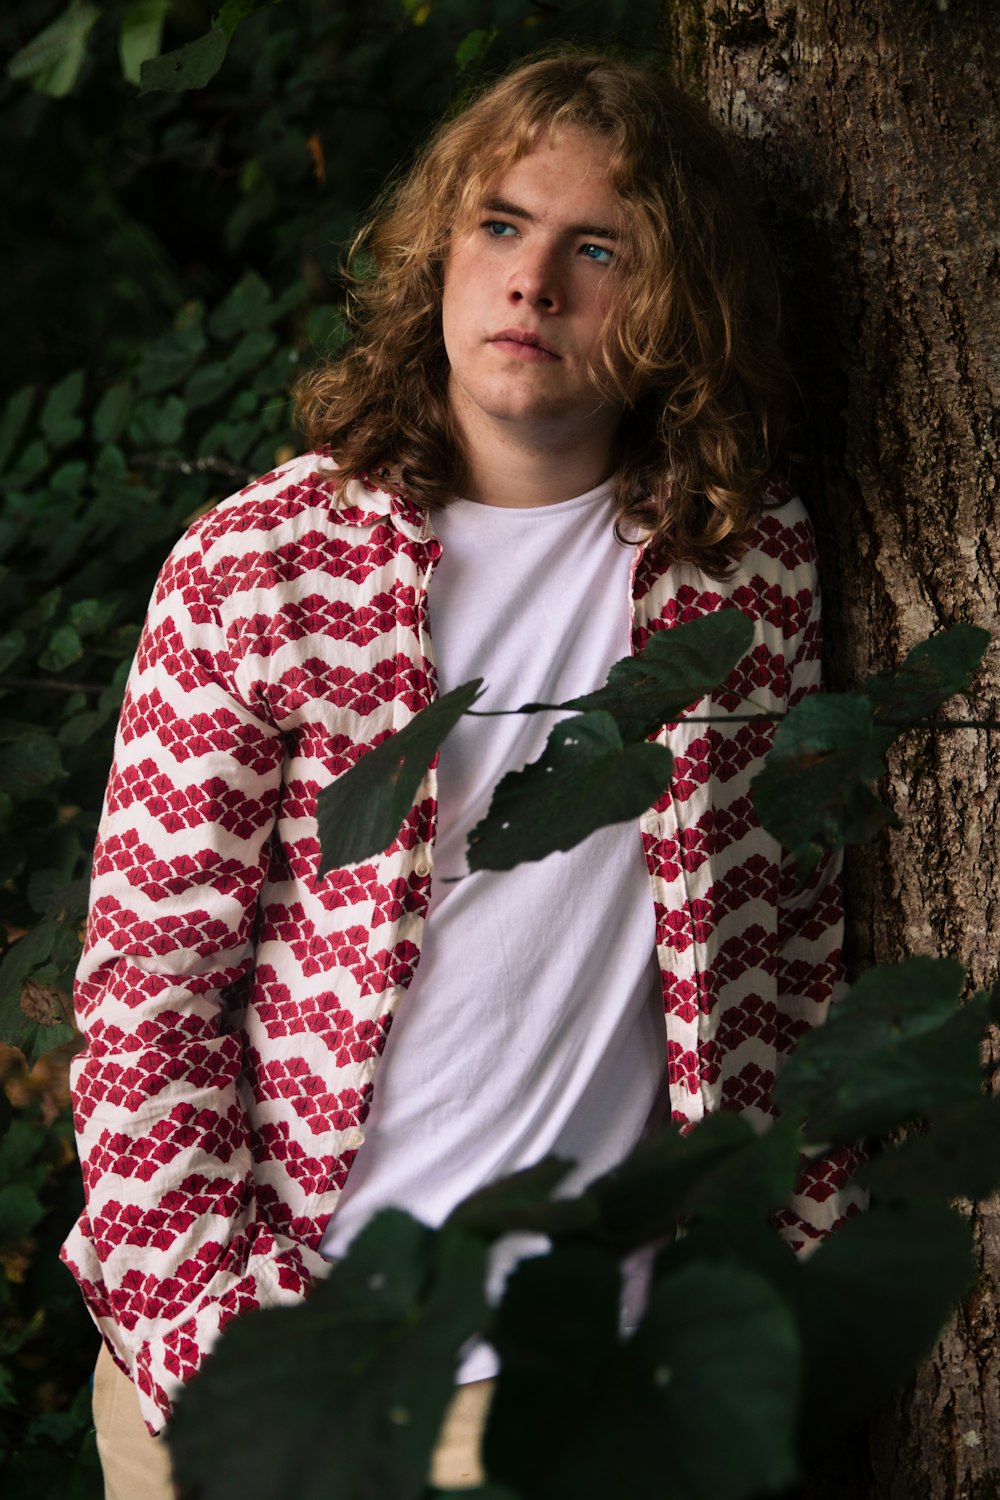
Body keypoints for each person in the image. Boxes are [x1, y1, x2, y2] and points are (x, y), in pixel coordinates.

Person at [63, 50, 865, 1498]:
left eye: (597, 247)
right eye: (500, 224)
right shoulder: (263, 567)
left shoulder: (746, 578)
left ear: (674, 304)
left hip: (589, 1383)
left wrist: (788, 1248)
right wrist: (217, 1341)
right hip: (285, 1350)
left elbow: (789, 951)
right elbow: (148, 996)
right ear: (439, 249)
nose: (532, 283)